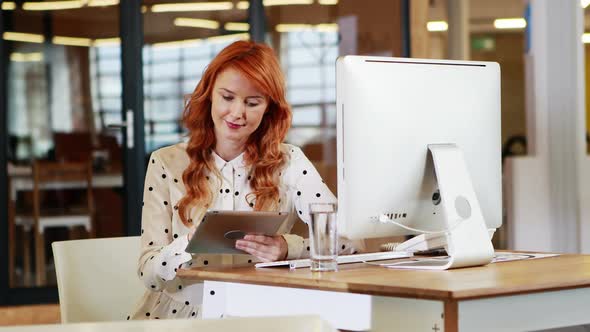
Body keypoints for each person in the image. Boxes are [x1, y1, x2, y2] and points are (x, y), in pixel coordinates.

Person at [129, 40, 360, 320]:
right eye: (227, 97)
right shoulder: (166, 162)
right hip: (182, 316)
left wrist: (289, 247)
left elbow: (350, 241)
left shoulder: (289, 161)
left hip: (262, 314)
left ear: (268, 109)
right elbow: (149, 273)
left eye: (252, 103)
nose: (238, 113)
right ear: (209, 95)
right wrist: (187, 244)